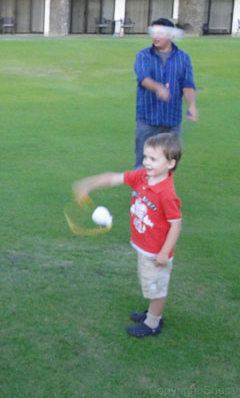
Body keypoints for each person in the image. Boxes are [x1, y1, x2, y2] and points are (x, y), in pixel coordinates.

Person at [73, 133, 183, 337]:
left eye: (153, 159)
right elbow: (114, 178)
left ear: (170, 163)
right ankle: (151, 314)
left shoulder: (166, 193)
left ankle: (152, 324)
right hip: (145, 246)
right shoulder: (142, 177)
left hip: (156, 252)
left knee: (156, 289)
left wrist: (164, 253)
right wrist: (88, 184)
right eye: (145, 157)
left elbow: (176, 225)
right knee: (149, 283)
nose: (146, 162)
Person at [133, 17, 198, 169]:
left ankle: (163, 192)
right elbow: (143, 78)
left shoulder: (183, 58)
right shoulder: (143, 56)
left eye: (160, 33)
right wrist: (158, 88)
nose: (155, 36)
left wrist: (192, 106)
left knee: (169, 163)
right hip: (148, 119)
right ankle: (140, 193)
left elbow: (187, 85)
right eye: (153, 32)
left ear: (171, 35)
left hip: (172, 120)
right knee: (144, 161)